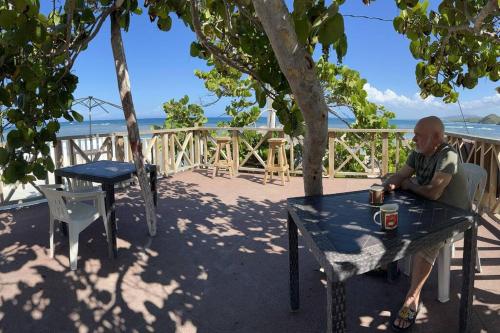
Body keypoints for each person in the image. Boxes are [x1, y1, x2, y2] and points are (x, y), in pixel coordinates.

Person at [382, 116, 469, 332]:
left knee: (426, 238)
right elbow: (400, 176)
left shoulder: (447, 154)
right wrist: (388, 184)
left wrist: (408, 185)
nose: (413, 139)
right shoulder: (418, 154)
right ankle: (388, 263)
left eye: (419, 136)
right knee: (389, 218)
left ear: (437, 138)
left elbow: (433, 192)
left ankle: (412, 297)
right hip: (426, 209)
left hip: (453, 216)